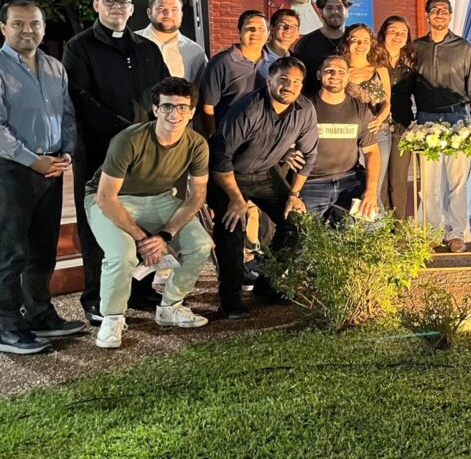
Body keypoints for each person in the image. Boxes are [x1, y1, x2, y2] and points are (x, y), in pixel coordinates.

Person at [63, 0, 170, 326]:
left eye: (122, 2)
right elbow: (80, 97)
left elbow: (164, 93)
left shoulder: (147, 48)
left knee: (141, 218)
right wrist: (129, 132)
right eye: (109, 1)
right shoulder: (79, 47)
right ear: (96, 5)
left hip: (144, 155)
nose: (116, 8)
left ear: (132, 9)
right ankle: (95, 297)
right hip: (99, 153)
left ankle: (138, 290)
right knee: (97, 224)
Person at [0, 0, 83, 355]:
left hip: (51, 168)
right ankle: (8, 327)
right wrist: (33, 161)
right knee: (11, 251)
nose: (28, 30)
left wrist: (67, 150)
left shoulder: (55, 67)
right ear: (3, 27)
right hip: (11, 170)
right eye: (19, 24)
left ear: (43, 27)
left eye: (35, 23)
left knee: (43, 248)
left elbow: (66, 114)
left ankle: (39, 313)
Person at [86, 78, 212, 349]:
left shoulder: (197, 144)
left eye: (182, 107)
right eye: (167, 106)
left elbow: (196, 196)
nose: (174, 114)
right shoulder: (129, 139)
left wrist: (165, 235)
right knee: (122, 253)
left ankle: (170, 307)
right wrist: (144, 240)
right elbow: (105, 197)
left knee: (201, 244)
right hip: (112, 199)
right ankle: (112, 317)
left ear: (192, 112)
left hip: (159, 198)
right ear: (155, 109)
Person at [207, 57, 318, 318]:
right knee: (232, 230)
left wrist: (294, 195)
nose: (289, 86)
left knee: (296, 224)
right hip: (229, 175)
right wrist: (236, 199)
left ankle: (267, 284)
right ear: (269, 80)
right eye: (283, 79)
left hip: (266, 173)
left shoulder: (305, 109)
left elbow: (310, 155)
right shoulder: (248, 109)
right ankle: (230, 299)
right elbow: (221, 157)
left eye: (296, 82)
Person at [411, 0, 471, 252]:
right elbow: (408, 84)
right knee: (429, 183)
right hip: (426, 120)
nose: (440, 14)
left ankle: (456, 233)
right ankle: (432, 231)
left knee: (457, 181)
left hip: (457, 121)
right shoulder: (416, 48)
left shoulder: (464, 47)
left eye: (444, 10)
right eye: (435, 10)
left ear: (450, 15)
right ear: (427, 15)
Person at [301, 55, 381, 220]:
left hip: (349, 180)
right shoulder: (304, 107)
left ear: (348, 76)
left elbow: (371, 151)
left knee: (371, 226)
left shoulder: (360, 110)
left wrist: (371, 191)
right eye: (329, 70)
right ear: (318, 75)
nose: (335, 76)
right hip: (311, 183)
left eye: (341, 72)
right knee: (303, 233)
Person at [198, 10, 267, 137]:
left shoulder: (274, 64)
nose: (255, 32)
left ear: (268, 33)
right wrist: (214, 137)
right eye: (249, 28)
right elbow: (207, 106)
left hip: (261, 138)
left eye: (261, 29)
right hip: (229, 136)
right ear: (239, 32)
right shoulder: (221, 62)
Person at [375, 15, 415, 217]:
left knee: (398, 181)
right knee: (379, 180)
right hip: (377, 127)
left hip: (402, 125)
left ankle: (399, 229)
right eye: (393, 31)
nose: (398, 36)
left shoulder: (411, 65)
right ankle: (382, 227)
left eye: (403, 33)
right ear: (383, 33)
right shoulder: (372, 61)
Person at [135, 0, 207, 83]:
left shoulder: (195, 52)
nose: (168, 14)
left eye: (174, 9)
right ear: (149, 12)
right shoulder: (131, 43)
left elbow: (202, 88)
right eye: (161, 8)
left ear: (181, 14)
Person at [291, 0, 349, 94]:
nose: (335, 12)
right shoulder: (306, 43)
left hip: (353, 101)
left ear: (347, 12)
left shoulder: (356, 38)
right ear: (321, 12)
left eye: (340, 8)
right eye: (329, 8)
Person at [258, 9, 301, 79]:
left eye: (293, 27)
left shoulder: (298, 62)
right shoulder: (256, 53)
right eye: (282, 25)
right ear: (271, 29)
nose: (288, 29)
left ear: (298, 34)